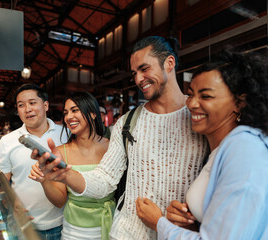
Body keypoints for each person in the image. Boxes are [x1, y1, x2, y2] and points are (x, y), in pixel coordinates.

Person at [31, 36, 208, 239]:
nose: (138, 79)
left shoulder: (200, 117)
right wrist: (65, 175)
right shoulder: (127, 123)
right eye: (135, 73)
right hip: (127, 233)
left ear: (169, 63)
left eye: (144, 69)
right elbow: (105, 180)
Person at [135, 50, 268, 239]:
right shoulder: (222, 150)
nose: (192, 104)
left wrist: (159, 223)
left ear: (239, 103)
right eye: (191, 94)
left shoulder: (245, 148)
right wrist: (191, 223)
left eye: (206, 96)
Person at [29, 91, 114, 240]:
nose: (68, 117)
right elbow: (59, 201)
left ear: (93, 114)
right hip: (75, 231)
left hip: (111, 225)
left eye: (75, 110)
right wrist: (44, 180)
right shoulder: (62, 152)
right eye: (66, 112)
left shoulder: (112, 147)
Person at [0, 84, 68, 240]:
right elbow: (1, 185)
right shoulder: (7, 142)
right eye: (21, 105)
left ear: (46, 105)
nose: (27, 109)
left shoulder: (66, 134)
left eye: (32, 102)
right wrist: (10, 206)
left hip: (62, 224)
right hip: (22, 224)